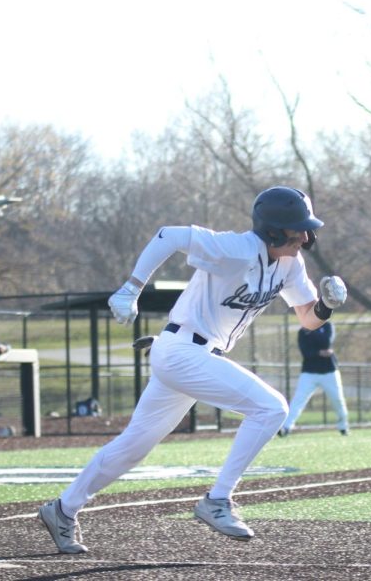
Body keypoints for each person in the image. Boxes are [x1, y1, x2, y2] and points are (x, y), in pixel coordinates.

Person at [37, 186, 347, 553]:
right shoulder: (236, 248)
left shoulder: (291, 264)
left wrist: (326, 306)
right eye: (298, 229)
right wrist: (131, 288)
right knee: (272, 408)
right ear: (275, 231)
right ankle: (217, 500)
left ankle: (63, 509)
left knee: (132, 448)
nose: (306, 237)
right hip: (183, 350)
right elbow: (168, 235)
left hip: (189, 354)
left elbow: (307, 318)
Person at [277, 320, 348, 437]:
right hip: (309, 372)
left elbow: (326, 342)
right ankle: (286, 428)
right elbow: (306, 352)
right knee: (298, 400)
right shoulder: (302, 331)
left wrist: (312, 332)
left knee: (338, 400)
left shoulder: (327, 326)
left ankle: (343, 427)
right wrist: (319, 352)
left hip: (329, 371)